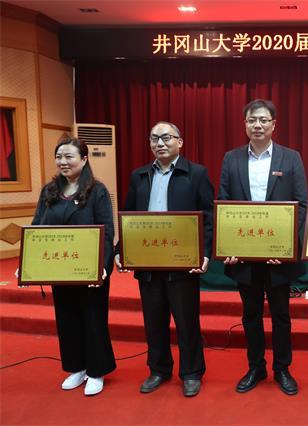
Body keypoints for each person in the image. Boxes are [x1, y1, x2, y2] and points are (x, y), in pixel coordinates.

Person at [115, 121, 213, 397]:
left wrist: (205, 253)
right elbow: (129, 216)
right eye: (154, 138)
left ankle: (191, 372)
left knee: (186, 321)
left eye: (166, 137)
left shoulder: (196, 174)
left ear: (179, 142)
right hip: (148, 260)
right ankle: (158, 369)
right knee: (154, 320)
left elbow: (208, 218)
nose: (160, 143)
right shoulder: (139, 176)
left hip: (182, 262)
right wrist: (121, 250)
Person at [218, 99, 308, 396]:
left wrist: (286, 246)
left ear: (273, 125)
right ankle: (256, 366)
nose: (257, 125)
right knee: (251, 315)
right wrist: (229, 244)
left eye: (263, 120)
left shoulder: (291, 158)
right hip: (245, 255)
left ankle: (282, 368)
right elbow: (224, 204)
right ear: (245, 124)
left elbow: (301, 205)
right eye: (252, 120)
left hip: (278, 256)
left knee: (281, 315)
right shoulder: (231, 159)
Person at [27, 137, 116, 396]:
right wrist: (29, 261)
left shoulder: (97, 191)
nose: (63, 162)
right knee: (67, 319)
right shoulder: (49, 191)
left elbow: (107, 231)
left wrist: (103, 266)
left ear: (84, 159)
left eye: (69, 156)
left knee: (93, 319)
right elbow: (36, 227)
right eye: (59, 157)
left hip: (89, 270)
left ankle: (97, 371)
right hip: (59, 268)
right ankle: (77, 367)